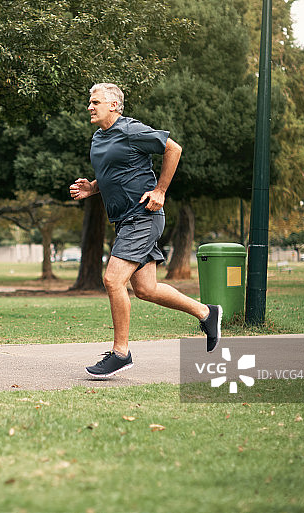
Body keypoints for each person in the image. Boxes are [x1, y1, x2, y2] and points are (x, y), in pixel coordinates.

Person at [69, 83, 222, 378]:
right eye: (90, 102)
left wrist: (160, 190)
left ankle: (120, 353)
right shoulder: (98, 137)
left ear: (114, 105)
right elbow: (115, 172)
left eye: (95, 102)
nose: (90, 106)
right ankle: (206, 312)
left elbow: (173, 148)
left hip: (143, 216)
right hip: (125, 220)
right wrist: (92, 188)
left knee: (112, 280)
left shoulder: (130, 130)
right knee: (146, 289)